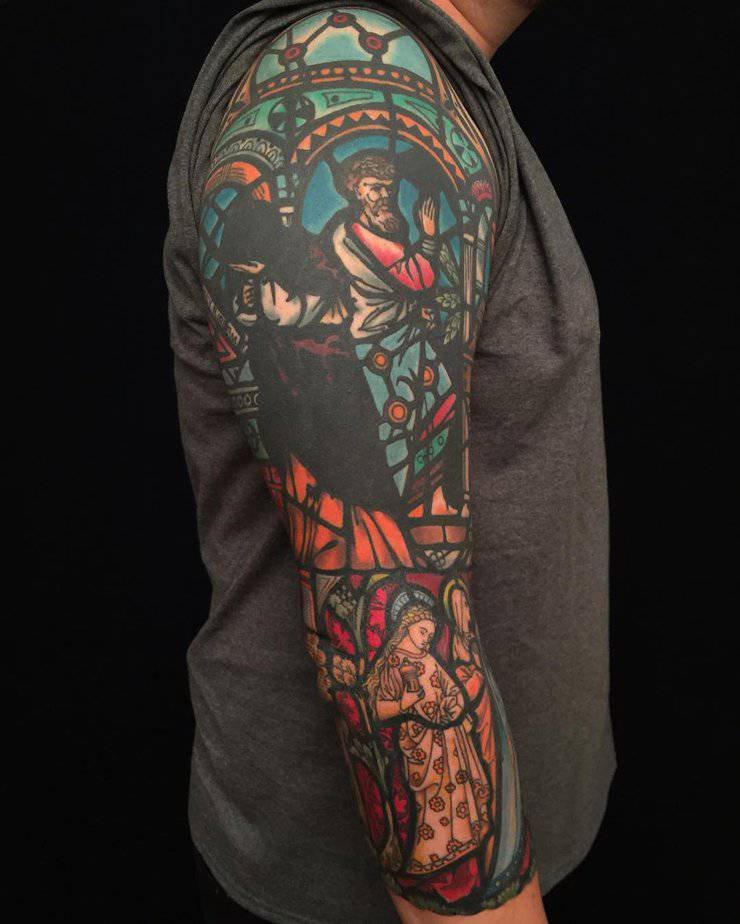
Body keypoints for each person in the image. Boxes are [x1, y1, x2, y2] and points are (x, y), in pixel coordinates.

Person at [164, 1, 615, 922]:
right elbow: (382, 625)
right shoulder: (353, 64)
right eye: (366, 190)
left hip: (526, 839)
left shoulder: (433, 79)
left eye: (382, 192)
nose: (377, 200)